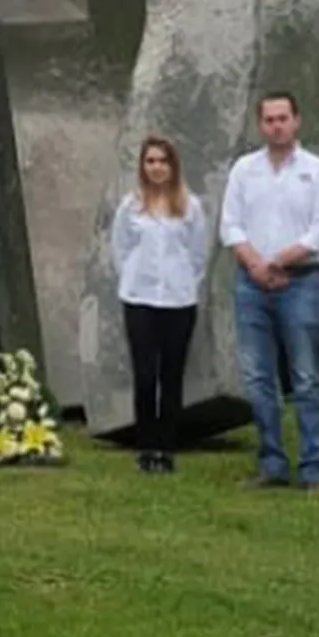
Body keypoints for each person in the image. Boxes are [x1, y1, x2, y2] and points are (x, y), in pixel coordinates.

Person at [218, 92, 319, 492]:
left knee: (305, 377)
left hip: (300, 282)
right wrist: (257, 264)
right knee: (257, 378)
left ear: (297, 121)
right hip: (251, 283)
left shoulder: (318, 171)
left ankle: (312, 467)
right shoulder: (244, 169)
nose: (276, 125)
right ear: (260, 126)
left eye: (283, 118)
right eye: (269, 119)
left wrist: (279, 262)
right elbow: (230, 225)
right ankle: (271, 462)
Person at [110, 136, 209, 474]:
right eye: (150, 161)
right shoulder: (130, 206)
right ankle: (146, 446)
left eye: (162, 161)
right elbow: (120, 250)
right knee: (145, 374)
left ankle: (166, 448)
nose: (156, 167)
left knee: (171, 375)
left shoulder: (190, 206)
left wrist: (181, 283)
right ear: (143, 166)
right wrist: (135, 281)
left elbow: (198, 255)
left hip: (179, 300)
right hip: (140, 299)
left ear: (173, 166)